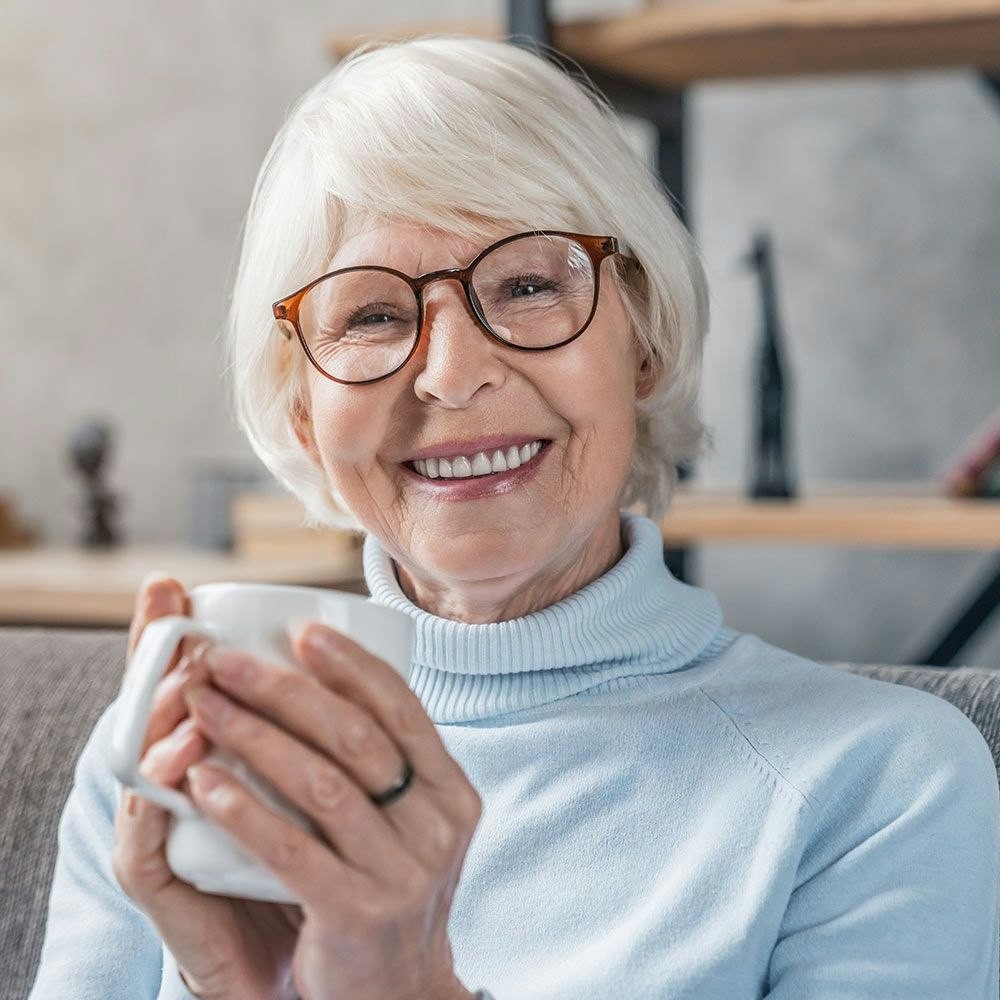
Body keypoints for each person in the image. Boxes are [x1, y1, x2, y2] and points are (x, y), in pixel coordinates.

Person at [29, 34, 1000, 1000]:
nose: (452, 375)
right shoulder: (165, 757)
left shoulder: (886, 783)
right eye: (371, 315)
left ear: (645, 341)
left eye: (528, 285)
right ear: (302, 411)